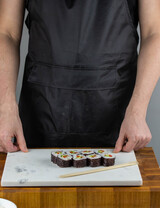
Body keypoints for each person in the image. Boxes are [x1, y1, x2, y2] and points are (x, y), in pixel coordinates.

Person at [0, 0, 160, 153]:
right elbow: (6, 32)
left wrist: (137, 112)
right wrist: (6, 108)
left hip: (116, 116)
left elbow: (154, 33)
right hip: (41, 111)